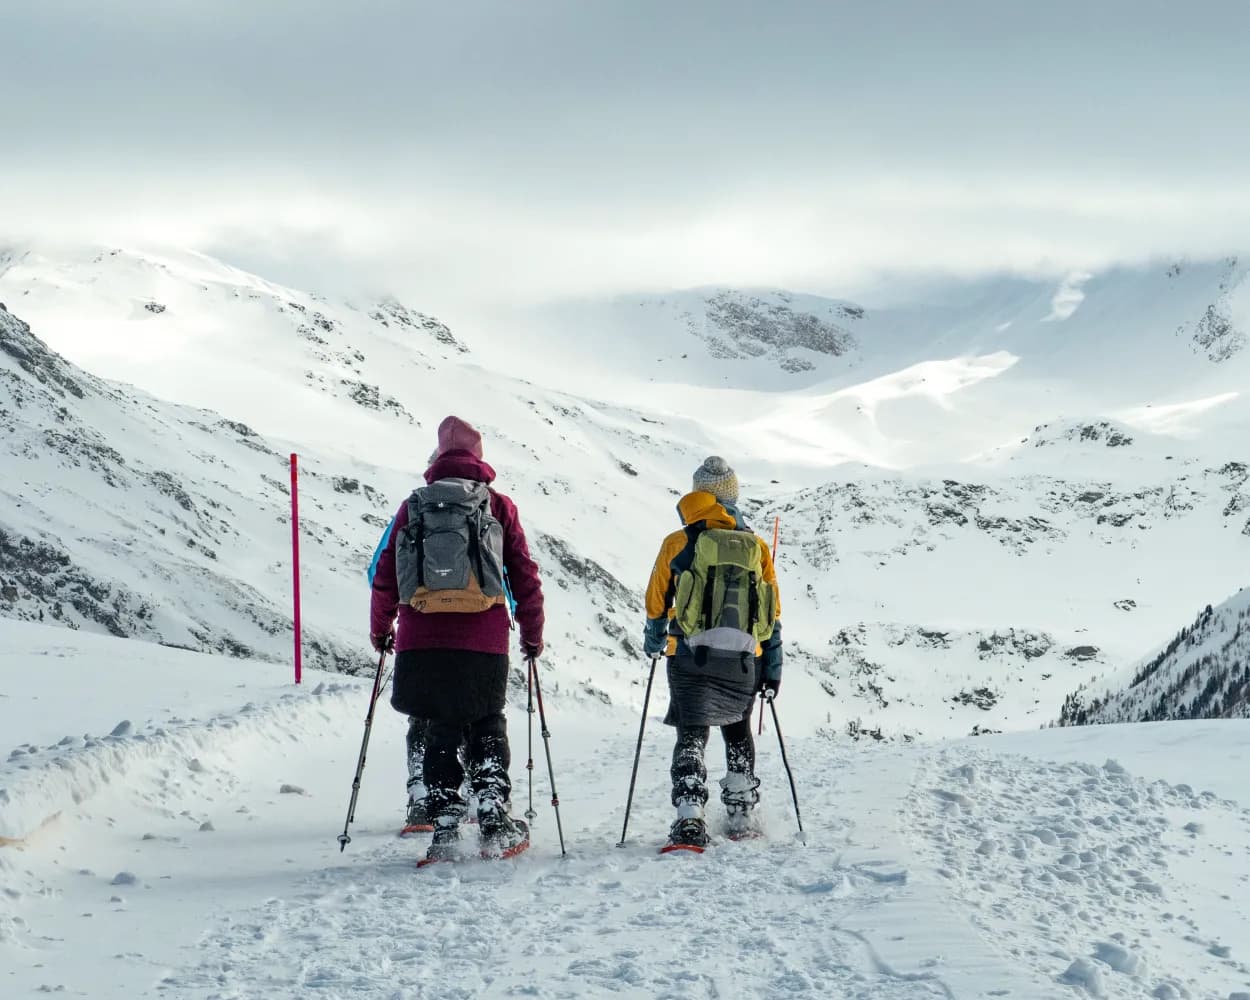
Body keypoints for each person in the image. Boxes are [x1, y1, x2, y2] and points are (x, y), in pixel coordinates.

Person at [370, 416, 545, 863]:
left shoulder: (413, 507)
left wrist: (382, 628)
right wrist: (531, 633)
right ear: (478, 457)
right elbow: (523, 573)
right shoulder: (497, 505)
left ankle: (444, 826)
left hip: (421, 637)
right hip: (481, 638)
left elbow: (387, 575)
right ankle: (492, 817)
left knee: (438, 724)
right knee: (486, 719)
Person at [643, 456, 782, 849]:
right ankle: (741, 814)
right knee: (737, 729)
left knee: (692, 733)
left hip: (689, 655)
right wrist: (772, 667)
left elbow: (656, 603)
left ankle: (689, 817)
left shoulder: (679, 541)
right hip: (743, 660)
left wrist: (655, 642)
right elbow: (772, 612)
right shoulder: (755, 546)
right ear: (732, 496)